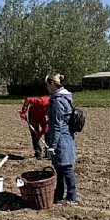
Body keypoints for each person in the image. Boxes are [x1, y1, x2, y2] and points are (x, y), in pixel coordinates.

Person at [45, 73, 78, 205]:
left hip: (61, 140)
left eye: (47, 84)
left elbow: (56, 125)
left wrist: (52, 145)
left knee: (66, 169)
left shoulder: (57, 101)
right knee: (60, 168)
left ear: (52, 84)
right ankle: (58, 195)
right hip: (67, 137)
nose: (47, 88)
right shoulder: (66, 98)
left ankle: (72, 197)